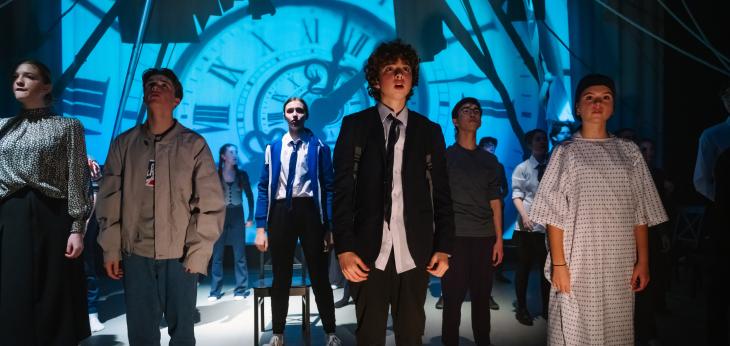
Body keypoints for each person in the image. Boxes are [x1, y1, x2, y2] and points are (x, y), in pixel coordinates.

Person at [530, 74, 668, 345]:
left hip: (618, 262)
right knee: (572, 327)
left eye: (605, 97)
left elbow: (639, 212)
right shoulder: (565, 152)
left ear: (612, 107)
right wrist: (559, 264)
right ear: (579, 107)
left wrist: (643, 261)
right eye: (589, 98)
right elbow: (553, 215)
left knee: (615, 331)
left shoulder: (629, 152)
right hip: (578, 258)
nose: (597, 103)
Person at [332, 39, 454, 345]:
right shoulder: (354, 126)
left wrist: (443, 246)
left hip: (414, 253)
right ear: (376, 80)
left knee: (411, 336)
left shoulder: (429, 131)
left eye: (405, 69)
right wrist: (344, 248)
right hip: (367, 254)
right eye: (390, 69)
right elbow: (342, 192)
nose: (399, 74)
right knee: (370, 336)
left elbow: (442, 194)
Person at [96, 68, 225, 345]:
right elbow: (109, 201)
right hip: (136, 255)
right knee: (141, 336)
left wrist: (199, 253)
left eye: (163, 84)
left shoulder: (194, 145)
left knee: (182, 335)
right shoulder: (124, 144)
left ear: (176, 98)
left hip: (179, 257)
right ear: (144, 96)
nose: (155, 87)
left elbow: (211, 204)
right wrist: (111, 249)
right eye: (151, 84)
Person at [0, 59, 91, 345]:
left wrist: (77, 226)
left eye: (29, 76)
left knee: (54, 293)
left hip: (51, 214)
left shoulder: (68, 126)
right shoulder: (2, 126)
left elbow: (77, 178)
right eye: (16, 75)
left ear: (46, 86)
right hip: (9, 215)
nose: (19, 81)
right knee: (13, 291)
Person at [254, 97, 340, 346]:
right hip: (281, 212)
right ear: (284, 115)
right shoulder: (273, 147)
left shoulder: (319, 146)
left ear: (306, 115)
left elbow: (329, 187)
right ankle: (278, 333)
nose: (294, 114)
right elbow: (263, 187)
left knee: (319, 275)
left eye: (299, 110)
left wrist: (330, 226)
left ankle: (330, 332)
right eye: (290, 110)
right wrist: (261, 226)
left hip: (310, 212)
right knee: (281, 276)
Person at [441, 97, 503, 345]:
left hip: (484, 237)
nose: (473, 113)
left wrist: (499, 240)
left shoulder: (490, 161)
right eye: (466, 110)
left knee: (481, 299)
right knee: (452, 300)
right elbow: (437, 201)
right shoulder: (445, 156)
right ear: (455, 120)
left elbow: (495, 201)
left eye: (477, 110)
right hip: (454, 237)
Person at [694, 80, 730, 345]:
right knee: (719, 287)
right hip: (724, 219)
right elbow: (702, 180)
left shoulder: (714, 135)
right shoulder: (714, 135)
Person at [634, 138, 673, 345]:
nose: (649, 154)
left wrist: (663, 233)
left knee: (649, 282)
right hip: (631, 236)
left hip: (651, 234)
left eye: (652, 150)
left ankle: (649, 330)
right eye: (645, 150)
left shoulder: (657, 175)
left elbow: (659, 207)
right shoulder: (632, 172)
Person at [511, 129, 550, 326]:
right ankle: (522, 309)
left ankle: (547, 309)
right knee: (524, 269)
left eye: (544, 138)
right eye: (538, 139)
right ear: (529, 144)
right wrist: (525, 217)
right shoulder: (522, 168)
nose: (542, 142)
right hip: (526, 227)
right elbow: (516, 195)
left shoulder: (552, 167)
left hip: (547, 227)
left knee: (546, 271)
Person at [208, 143, 255, 301]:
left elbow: (249, 196)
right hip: (220, 215)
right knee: (217, 255)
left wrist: (250, 217)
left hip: (237, 214)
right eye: (231, 152)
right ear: (223, 156)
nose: (235, 155)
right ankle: (215, 291)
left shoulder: (242, 175)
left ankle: (240, 289)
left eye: (236, 152)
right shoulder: (215, 175)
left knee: (239, 254)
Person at [84, 157, 106, 332]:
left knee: (87, 265)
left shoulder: (89, 159)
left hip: (86, 219)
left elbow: (98, 190)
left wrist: (85, 224)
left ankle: (91, 312)